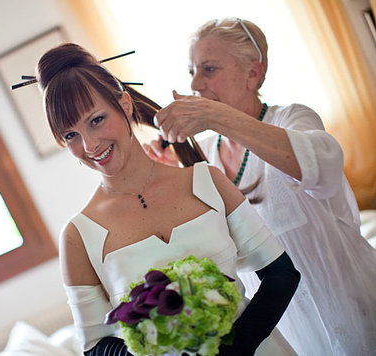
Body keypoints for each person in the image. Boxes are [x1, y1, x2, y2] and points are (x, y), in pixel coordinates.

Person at [34, 42, 300, 355]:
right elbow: (95, 347)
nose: (90, 144)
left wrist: (236, 347)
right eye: (70, 135)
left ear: (126, 104)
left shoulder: (207, 181)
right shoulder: (79, 236)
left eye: (96, 120)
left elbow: (280, 273)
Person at [145, 17, 376, 356]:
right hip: (279, 321)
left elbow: (321, 164)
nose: (195, 83)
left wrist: (213, 116)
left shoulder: (292, 119)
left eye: (208, 69)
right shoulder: (203, 156)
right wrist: (173, 178)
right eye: (192, 71)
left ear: (253, 73)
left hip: (345, 300)